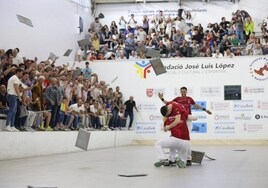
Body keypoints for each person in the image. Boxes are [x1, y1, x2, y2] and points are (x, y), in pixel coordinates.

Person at [158, 86, 212, 166]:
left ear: (186, 92)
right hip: (179, 119)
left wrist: (205, 110)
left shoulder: (189, 99)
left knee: (184, 140)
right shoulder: (177, 99)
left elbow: (196, 105)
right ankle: (171, 159)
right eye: (182, 91)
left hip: (187, 119)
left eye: (184, 91)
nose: (183, 92)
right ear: (180, 92)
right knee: (173, 137)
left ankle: (188, 158)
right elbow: (168, 104)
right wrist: (162, 99)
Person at [154, 101, 189, 168]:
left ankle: (163, 159)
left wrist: (168, 127)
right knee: (175, 143)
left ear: (168, 110)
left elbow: (175, 121)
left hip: (176, 139)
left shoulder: (174, 117)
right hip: (185, 141)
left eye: (167, 115)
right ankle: (181, 161)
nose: (167, 116)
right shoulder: (179, 113)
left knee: (157, 144)